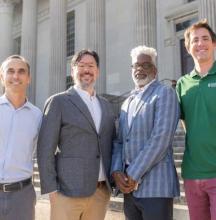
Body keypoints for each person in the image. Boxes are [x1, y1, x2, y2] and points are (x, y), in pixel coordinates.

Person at [37, 49, 115, 220]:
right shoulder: (58, 102)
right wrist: (51, 190)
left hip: (100, 193)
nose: (86, 70)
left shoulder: (106, 106)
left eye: (91, 66)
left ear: (97, 71)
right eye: (81, 66)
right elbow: (45, 149)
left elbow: (112, 144)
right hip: (67, 193)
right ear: (72, 71)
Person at [111, 45, 180, 220]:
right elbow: (119, 141)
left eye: (146, 65)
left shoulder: (165, 93)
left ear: (155, 71)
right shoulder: (127, 102)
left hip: (156, 188)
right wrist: (117, 171)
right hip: (129, 189)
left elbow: (161, 139)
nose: (140, 68)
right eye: (136, 65)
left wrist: (133, 174)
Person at [176, 19, 216, 220]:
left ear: (214, 44)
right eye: (195, 40)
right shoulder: (182, 84)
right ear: (188, 47)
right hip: (193, 174)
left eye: (205, 39)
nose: (200, 44)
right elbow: (185, 123)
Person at [0, 55, 42, 220]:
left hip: (22, 197)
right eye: (10, 71)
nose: (15, 76)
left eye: (21, 71)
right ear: (2, 77)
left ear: (29, 78)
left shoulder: (37, 116)